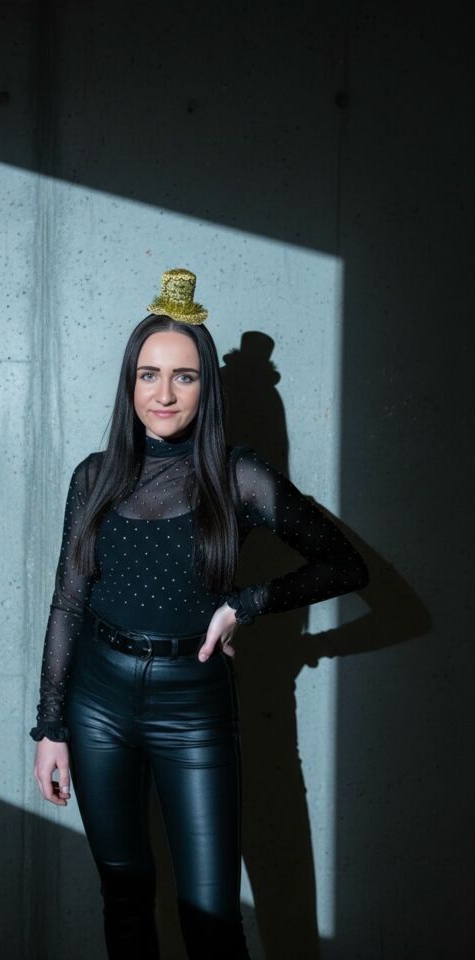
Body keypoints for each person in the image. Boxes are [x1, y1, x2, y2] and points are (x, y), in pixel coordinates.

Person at [30, 268, 369, 959]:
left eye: (183, 377)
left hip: (193, 705)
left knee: (211, 920)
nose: (163, 394)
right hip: (96, 703)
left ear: (205, 387)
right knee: (125, 899)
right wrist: (51, 727)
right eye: (148, 375)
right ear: (129, 383)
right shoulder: (93, 477)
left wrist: (247, 603)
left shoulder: (239, 475)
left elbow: (345, 565)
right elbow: (68, 601)